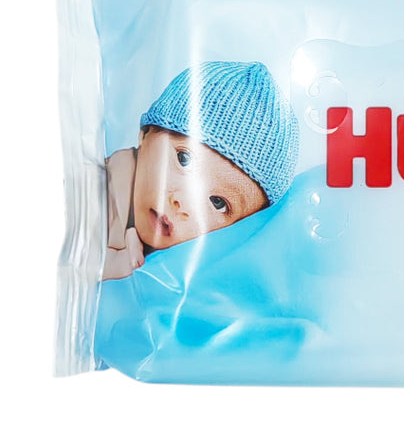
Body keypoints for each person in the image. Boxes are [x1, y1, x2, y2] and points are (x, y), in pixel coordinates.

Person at [104, 61, 299, 280]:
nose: (184, 202)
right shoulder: (92, 194)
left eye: (218, 202)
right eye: (184, 159)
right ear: (146, 134)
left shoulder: (170, 271)